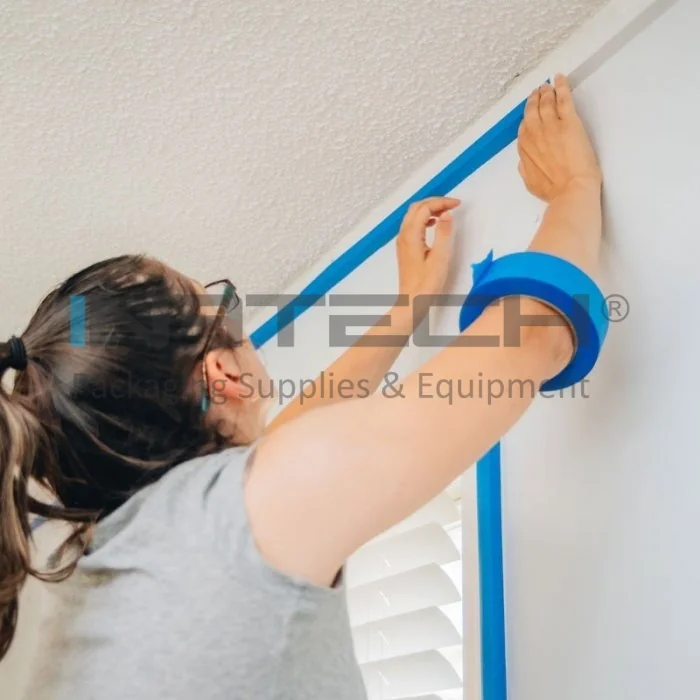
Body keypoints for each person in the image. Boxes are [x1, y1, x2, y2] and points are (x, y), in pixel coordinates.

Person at [0, 74, 602, 699]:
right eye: (222, 306)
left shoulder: (97, 567)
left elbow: (280, 454)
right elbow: (533, 340)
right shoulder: (226, 524)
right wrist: (574, 190)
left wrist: (407, 311)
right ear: (220, 373)